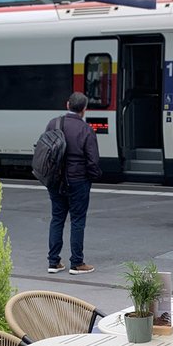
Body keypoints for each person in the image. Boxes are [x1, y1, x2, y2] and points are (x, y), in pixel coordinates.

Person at [46, 91, 101, 275]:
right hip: (78, 181)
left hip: (55, 180)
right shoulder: (86, 130)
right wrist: (92, 177)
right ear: (84, 110)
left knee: (57, 219)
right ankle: (76, 263)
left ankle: (53, 262)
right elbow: (93, 161)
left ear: (67, 104)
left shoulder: (53, 123)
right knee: (77, 221)